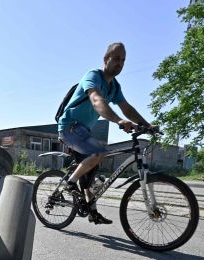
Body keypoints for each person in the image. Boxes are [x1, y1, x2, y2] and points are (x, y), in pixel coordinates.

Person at [57, 42, 156, 224]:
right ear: (105, 59)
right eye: (117, 58)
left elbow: (127, 108)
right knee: (100, 152)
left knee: (90, 174)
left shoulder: (114, 87)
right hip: (69, 127)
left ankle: (91, 212)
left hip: (84, 131)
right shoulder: (93, 76)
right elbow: (96, 100)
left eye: (123, 60)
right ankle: (68, 183)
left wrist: (147, 125)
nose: (120, 63)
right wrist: (118, 120)